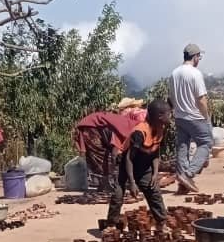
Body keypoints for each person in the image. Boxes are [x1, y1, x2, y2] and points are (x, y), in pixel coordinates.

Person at [106, 99, 171, 228]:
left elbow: (155, 153)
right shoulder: (140, 132)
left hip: (143, 163)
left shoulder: (161, 129)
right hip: (125, 163)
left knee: (154, 191)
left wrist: (155, 174)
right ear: (159, 116)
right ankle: (111, 225)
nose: (170, 116)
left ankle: (161, 223)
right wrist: (132, 182)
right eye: (168, 114)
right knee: (118, 194)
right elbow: (129, 158)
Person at [169, 43, 213, 194]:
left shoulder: (174, 74)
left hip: (180, 117)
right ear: (195, 57)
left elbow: (171, 98)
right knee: (206, 143)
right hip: (195, 117)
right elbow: (201, 99)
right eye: (199, 57)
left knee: (183, 147)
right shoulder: (195, 74)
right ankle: (188, 174)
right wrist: (206, 117)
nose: (199, 59)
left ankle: (183, 184)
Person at [74, 110, 140, 192]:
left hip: (93, 124)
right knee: (102, 157)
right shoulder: (128, 131)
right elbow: (115, 154)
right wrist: (118, 176)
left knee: (107, 157)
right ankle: (105, 183)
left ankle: (105, 183)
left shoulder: (132, 126)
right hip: (91, 126)